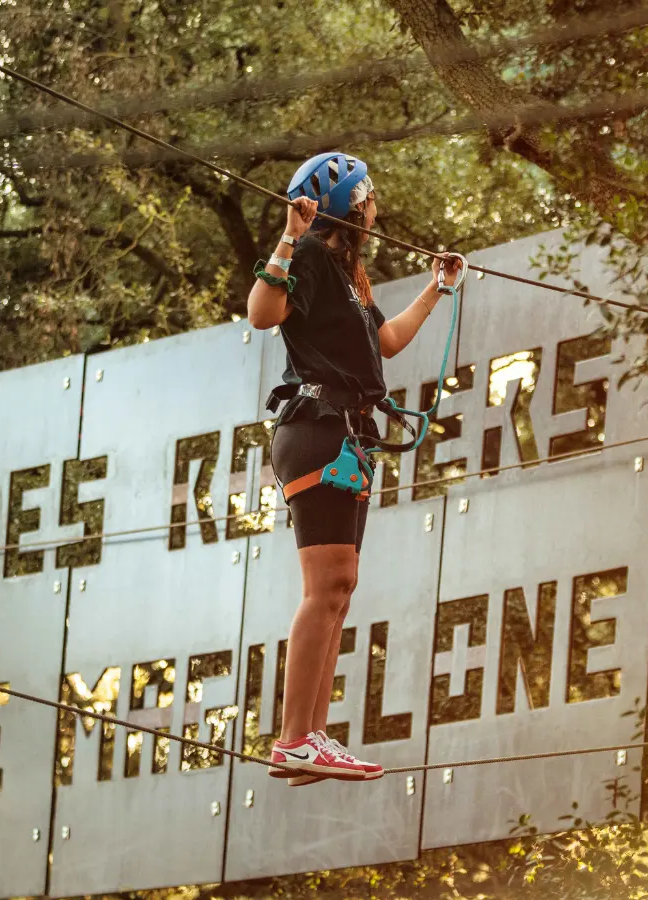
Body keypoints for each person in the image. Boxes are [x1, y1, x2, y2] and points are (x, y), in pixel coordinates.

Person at [246, 152, 463, 783]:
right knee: (328, 587)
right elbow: (263, 313)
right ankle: (294, 738)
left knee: (340, 589)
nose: (377, 209)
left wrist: (436, 287)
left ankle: (308, 736)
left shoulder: (345, 273)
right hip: (318, 429)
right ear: (350, 204)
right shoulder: (311, 255)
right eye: (369, 198)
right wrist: (289, 236)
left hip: (344, 434)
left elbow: (386, 342)